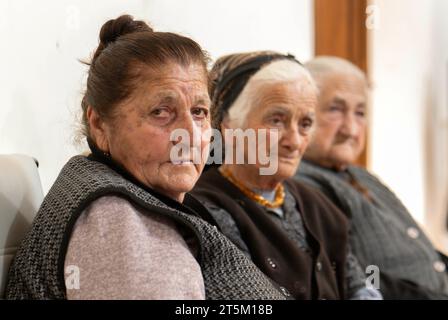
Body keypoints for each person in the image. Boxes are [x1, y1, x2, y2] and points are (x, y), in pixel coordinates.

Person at [5, 15, 287, 300]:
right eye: (161, 112)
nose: (190, 134)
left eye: (199, 112)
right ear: (100, 124)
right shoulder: (116, 225)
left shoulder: (123, 189)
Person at [192, 51, 382, 299]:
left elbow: (361, 284)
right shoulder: (205, 211)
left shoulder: (316, 204)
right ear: (228, 127)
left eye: (305, 124)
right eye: (277, 120)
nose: (294, 141)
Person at [295, 56, 448, 299]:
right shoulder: (302, 182)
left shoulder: (360, 175)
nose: (351, 129)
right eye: (335, 109)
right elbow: (359, 276)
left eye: (360, 113)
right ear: (302, 114)